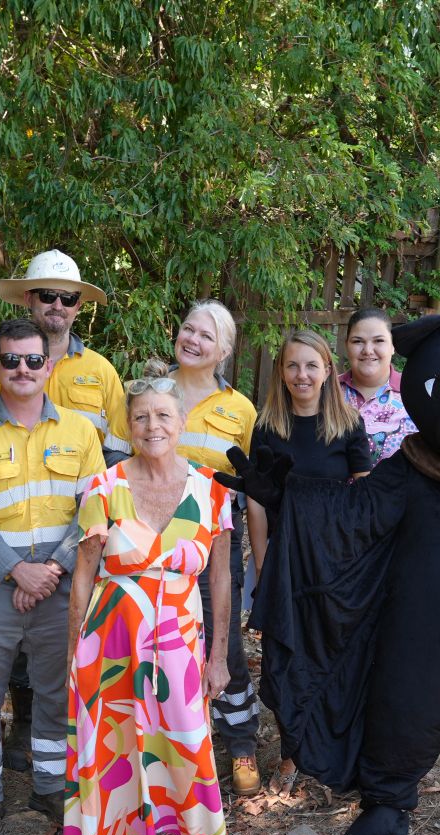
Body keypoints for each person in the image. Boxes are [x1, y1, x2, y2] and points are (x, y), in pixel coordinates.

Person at [62, 365, 238, 835]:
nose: (152, 426)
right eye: (140, 417)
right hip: (111, 640)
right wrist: (75, 653)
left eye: (163, 414)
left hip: (181, 642)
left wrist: (221, 656)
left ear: (182, 421)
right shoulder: (104, 486)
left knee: (184, 741)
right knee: (127, 742)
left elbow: (223, 578)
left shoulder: (211, 492)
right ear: (128, 426)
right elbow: (84, 573)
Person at [0, 319, 106, 835]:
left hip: (59, 581)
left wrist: (50, 569)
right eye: (11, 360)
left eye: (33, 360)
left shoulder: (80, 432)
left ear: (48, 366)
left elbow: (95, 509)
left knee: (57, 692)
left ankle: (50, 787)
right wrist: (16, 570)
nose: (23, 369)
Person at [0, 250, 129, 775]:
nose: (57, 305)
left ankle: (70, 739)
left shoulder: (101, 372)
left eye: (68, 297)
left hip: (80, 531)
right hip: (10, 539)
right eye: (47, 295)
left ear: (79, 306)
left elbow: (116, 456)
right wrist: (15, 562)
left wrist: (84, 537)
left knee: (70, 630)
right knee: (15, 639)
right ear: (28, 299)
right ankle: (22, 725)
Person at [167, 300, 262, 795]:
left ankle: (241, 740)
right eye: (188, 329)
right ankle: (174, 743)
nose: (194, 340)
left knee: (222, 640)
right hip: (154, 547)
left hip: (216, 542)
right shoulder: (149, 392)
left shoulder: (240, 408)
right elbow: (121, 463)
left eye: (207, 336)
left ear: (223, 350)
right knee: (164, 644)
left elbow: (251, 484)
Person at [249, 328, 372, 575]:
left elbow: (364, 496)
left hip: (335, 554)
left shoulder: (349, 425)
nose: (301, 375)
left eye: (311, 366)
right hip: (279, 553)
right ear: (282, 373)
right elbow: (256, 501)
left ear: (327, 371)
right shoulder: (266, 427)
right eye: (292, 366)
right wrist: (263, 565)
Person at [338, 308, 416, 464]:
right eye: (357, 341)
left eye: (378, 341)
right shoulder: (327, 391)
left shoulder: (414, 394)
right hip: (333, 489)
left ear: (393, 346)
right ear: (346, 345)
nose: (367, 350)